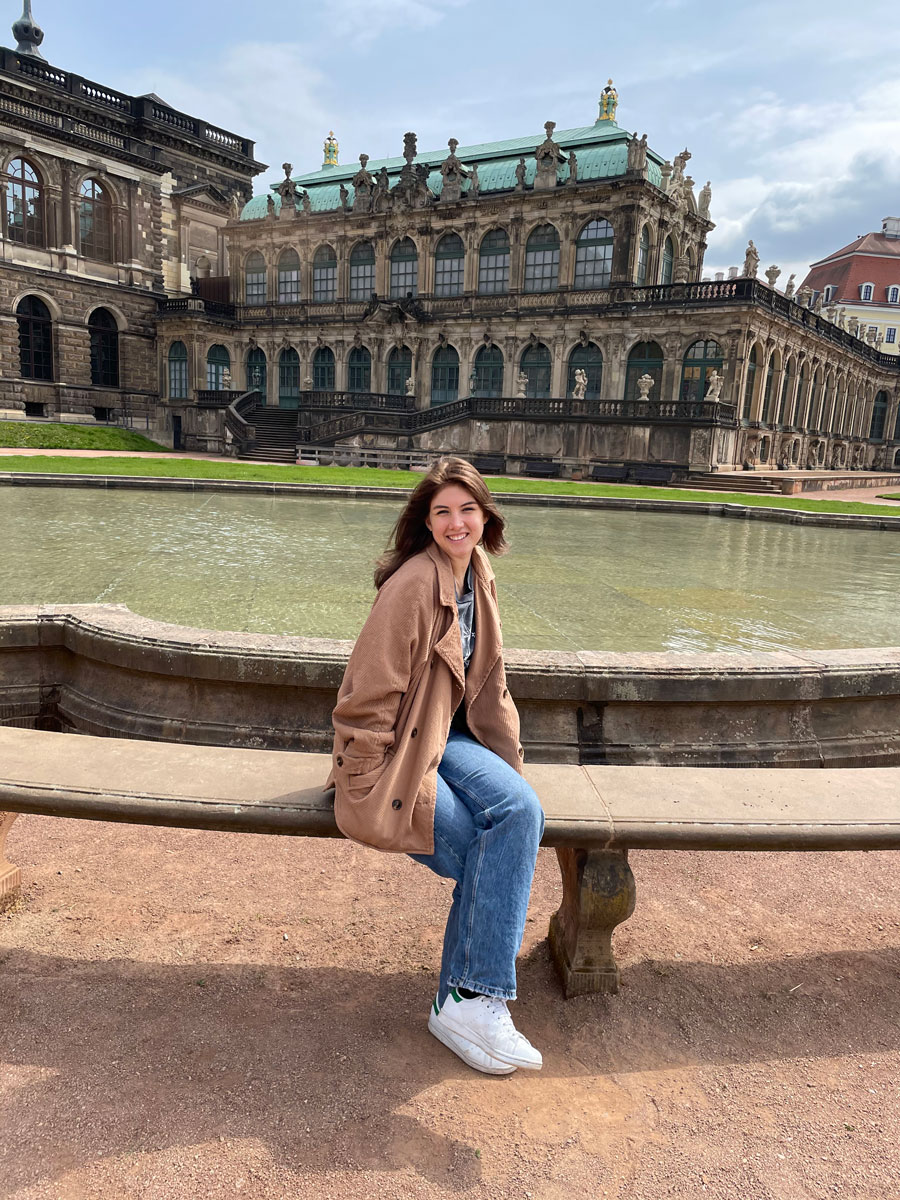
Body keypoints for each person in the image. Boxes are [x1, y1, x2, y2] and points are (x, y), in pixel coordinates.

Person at [329, 457, 545, 1075]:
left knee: (521, 810)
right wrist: (363, 781)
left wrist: (509, 765)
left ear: (485, 517)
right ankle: (469, 1000)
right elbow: (364, 697)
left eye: (467, 510)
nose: (456, 523)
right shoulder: (412, 586)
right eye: (442, 511)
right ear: (426, 522)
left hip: (451, 737)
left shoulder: (477, 572)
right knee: (490, 852)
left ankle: (464, 1001)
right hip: (402, 748)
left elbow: (491, 683)